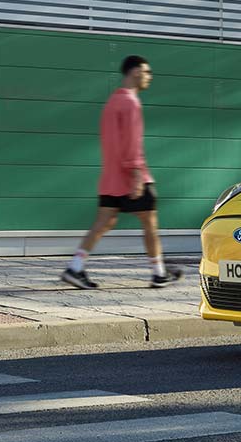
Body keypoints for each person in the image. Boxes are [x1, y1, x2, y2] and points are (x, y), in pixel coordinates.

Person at [61, 55, 182, 289]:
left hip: (111, 178)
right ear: (135, 72)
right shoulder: (130, 102)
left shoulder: (112, 101)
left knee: (103, 222)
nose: (149, 77)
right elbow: (132, 142)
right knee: (150, 222)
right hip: (131, 176)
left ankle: (75, 268)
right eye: (147, 72)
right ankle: (158, 273)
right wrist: (136, 173)